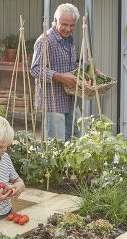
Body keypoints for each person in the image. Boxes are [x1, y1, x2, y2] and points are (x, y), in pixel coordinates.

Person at [30, 3, 81, 141]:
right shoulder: (45, 40)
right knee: (56, 146)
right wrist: (59, 77)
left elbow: (71, 64)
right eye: (64, 24)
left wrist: (87, 68)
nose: (68, 29)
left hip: (71, 100)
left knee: (75, 140)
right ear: (55, 21)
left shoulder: (69, 39)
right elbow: (35, 69)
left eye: (72, 25)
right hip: (53, 102)